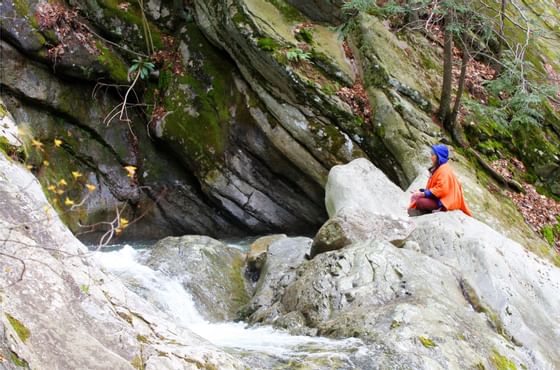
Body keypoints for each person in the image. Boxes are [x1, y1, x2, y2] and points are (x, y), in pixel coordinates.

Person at [408, 144, 472, 216]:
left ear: (439, 157)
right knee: (418, 197)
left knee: (420, 202)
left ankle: (431, 214)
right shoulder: (440, 168)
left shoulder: (444, 170)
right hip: (441, 199)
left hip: (446, 202)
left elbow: (442, 189)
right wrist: (422, 191)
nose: (431, 157)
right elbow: (437, 188)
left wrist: (423, 194)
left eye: (433, 154)